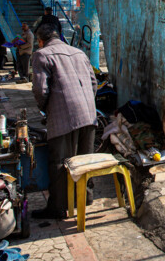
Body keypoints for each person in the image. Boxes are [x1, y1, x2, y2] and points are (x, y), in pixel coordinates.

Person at [31, 23, 97, 219]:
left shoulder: (42, 55)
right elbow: (94, 83)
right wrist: (87, 104)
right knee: (85, 159)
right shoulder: (79, 53)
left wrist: (46, 109)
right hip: (88, 113)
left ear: (40, 41)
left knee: (60, 162)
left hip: (63, 114)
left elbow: (40, 90)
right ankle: (84, 197)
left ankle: (58, 207)